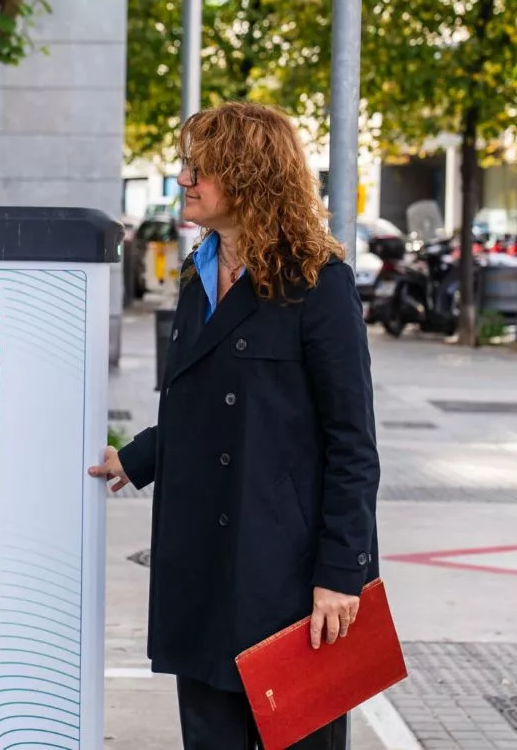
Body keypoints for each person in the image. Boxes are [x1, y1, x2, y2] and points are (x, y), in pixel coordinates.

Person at [89, 101, 380, 749]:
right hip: (204, 567)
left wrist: (342, 573)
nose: (183, 180)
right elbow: (201, 410)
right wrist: (135, 458)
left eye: (199, 169)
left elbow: (353, 444)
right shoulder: (197, 278)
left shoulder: (318, 283)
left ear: (248, 176)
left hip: (290, 578)